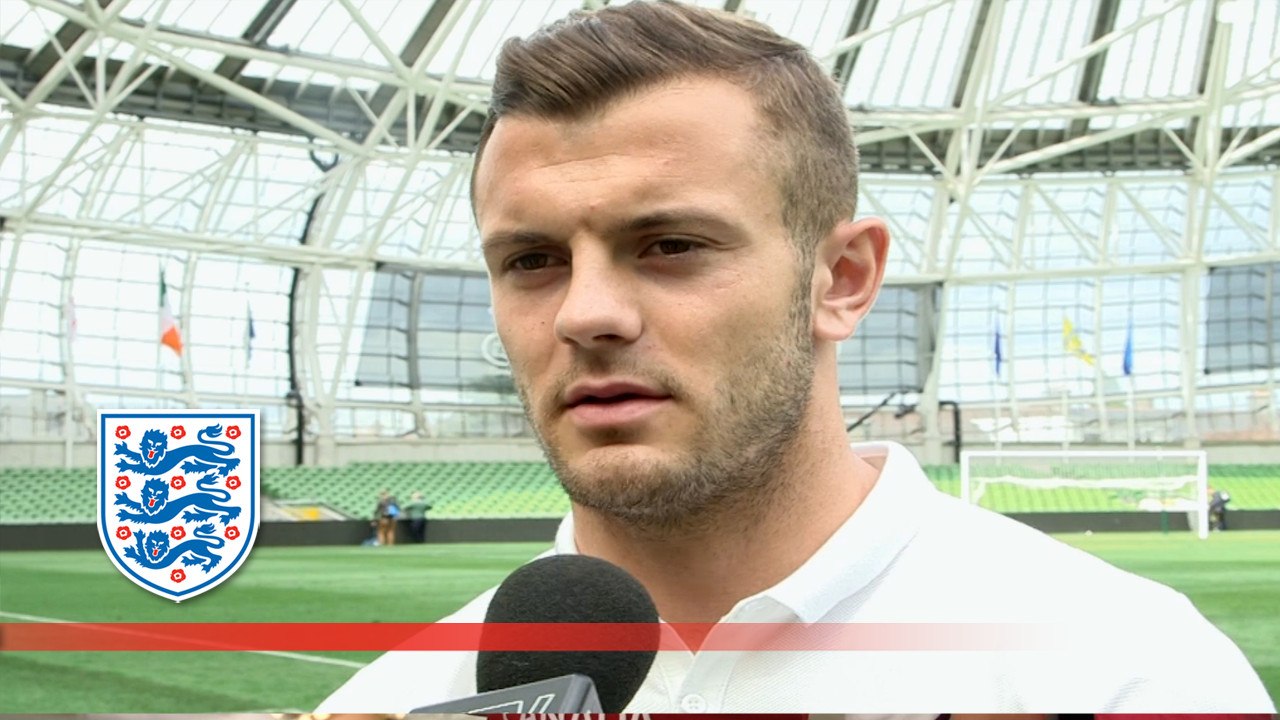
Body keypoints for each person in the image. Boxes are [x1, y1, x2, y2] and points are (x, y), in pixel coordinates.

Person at [319, 1, 1273, 713]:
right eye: (531, 261)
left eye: (672, 246)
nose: (587, 314)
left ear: (844, 278)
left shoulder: (1124, 671)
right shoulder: (390, 700)